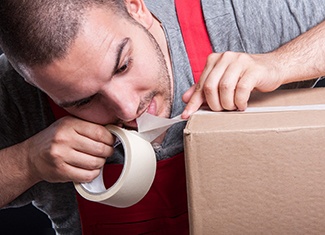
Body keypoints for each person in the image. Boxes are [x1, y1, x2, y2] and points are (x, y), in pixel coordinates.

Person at [1, 0, 325, 234]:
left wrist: (281, 63)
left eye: (123, 66)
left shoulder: (235, 15)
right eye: (83, 101)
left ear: (135, 7)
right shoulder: (16, 94)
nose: (128, 110)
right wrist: (26, 162)